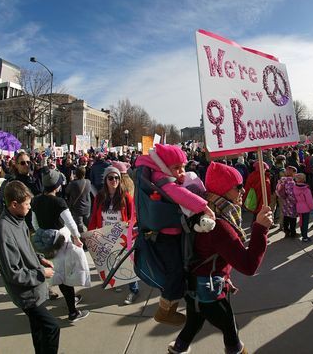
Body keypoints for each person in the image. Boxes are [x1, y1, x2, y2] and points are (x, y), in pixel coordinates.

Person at [168, 162, 273, 354]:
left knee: (192, 327)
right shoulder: (219, 225)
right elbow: (249, 266)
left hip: (197, 287)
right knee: (231, 333)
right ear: (224, 190)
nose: (243, 190)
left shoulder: (207, 212)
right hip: (208, 291)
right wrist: (260, 228)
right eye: (238, 187)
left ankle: (178, 349)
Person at [135, 144, 215, 326]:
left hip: (169, 233)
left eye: (183, 167)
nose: (181, 172)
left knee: (179, 268)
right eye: (176, 168)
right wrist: (204, 206)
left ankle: (172, 304)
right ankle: (165, 311)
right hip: (165, 236)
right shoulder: (161, 178)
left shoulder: (158, 174)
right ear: (164, 165)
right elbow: (177, 193)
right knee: (175, 270)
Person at [0, 181, 60, 354]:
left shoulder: (19, 219)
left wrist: (40, 259)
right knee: (52, 328)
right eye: (27, 204)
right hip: (26, 294)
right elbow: (13, 273)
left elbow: (26, 249)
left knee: (38, 330)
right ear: (14, 204)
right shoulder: (3, 231)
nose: (30, 208)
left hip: (33, 288)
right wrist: (41, 273)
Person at [31, 168, 91, 322]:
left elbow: (34, 222)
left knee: (59, 272)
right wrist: (77, 238)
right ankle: (73, 311)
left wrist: (43, 233)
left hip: (47, 240)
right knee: (65, 274)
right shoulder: (59, 202)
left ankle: (71, 300)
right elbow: (70, 222)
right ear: (57, 186)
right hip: (61, 240)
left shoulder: (36, 200)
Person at [88, 166, 139, 305]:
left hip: (123, 235)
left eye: (117, 177)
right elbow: (94, 217)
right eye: (111, 178)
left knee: (127, 262)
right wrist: (90, 233)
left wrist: (129, 223)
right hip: (107, 235)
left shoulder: (125, 196)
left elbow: (133, 215)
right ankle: (116, 283)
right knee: (111, 260)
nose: (114, 180)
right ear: (105, 180)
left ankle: (133, 290)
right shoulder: (100, 197)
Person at [65, 166, 91, 235]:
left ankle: (83, 239)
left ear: (76, 174)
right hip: (87, 207)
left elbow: (67, 191)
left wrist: (71, 181)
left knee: (79, 226)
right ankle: (92, 236)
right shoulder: (88, 182)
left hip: (77, 208)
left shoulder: (73, 183)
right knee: (88, 223)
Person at [276, 166, 299, 238]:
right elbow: (291, 193)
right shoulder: (291, 182)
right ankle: (293, 233)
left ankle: (286, 232)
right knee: (292, 218)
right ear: (293, 173)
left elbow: (277, 190)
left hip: (284, 201)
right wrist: (296, 201)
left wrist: (282, 197)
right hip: (291, 203)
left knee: (286, 217)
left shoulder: (282, 180)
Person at [293, 173, 313, 242]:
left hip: (298, 207)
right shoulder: (306, 190)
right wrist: (312, 208)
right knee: (305, 222)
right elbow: (309, 201)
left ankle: (303, 234)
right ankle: (305, 237)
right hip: (306, 208)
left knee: (301, 222)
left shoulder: (294, 187)